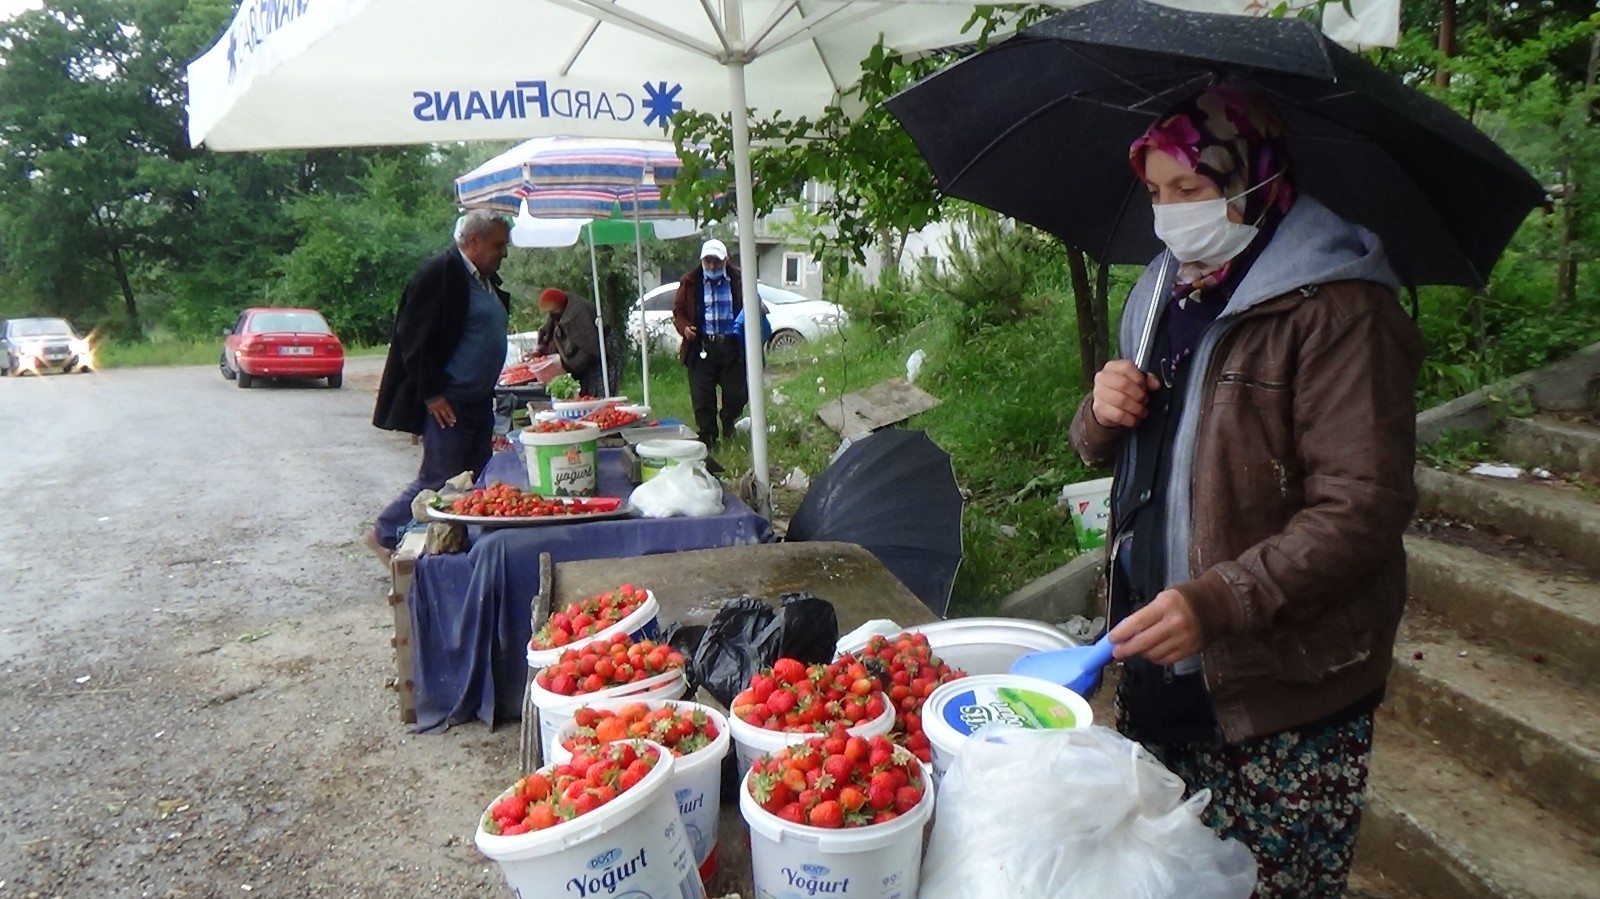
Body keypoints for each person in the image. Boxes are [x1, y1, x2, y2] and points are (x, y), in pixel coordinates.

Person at [1070, 87, 1423, 898]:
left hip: (1279, 693)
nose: (1168, 215)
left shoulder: (1340, 310)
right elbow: (1128, 450)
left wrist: (1220, 600)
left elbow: (1363, 506)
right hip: (1161, 661)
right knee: (1166, 878)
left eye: (1189, 191)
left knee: (1269, 886)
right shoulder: (1164, 291)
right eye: (1156, 193)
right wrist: (1099, 414)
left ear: (1256, 180)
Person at [365, 210, 513, 563]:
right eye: (498, 245)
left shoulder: (484, 279)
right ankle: (383, 534)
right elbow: (413, 338)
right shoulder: (441, 273)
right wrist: (431, 393)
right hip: (452, 399)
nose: (504, 253)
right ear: (474, 241)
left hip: (477, 399)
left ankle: (455, 545)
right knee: (440, 478)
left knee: (474, 478)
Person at [674, 238, 752, 445]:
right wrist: (685, 328)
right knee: (702, 397)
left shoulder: (739, 279)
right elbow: (679, 312)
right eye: (707, 261)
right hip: (702, 346)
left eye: (716, 262)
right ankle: (708, 437)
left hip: (732, 345)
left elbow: (753, 303)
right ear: (701, 260)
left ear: (725, 260)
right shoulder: (690, 282)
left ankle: (728, 420)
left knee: (738, 394)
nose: (711, 266)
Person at [533, 288, 605, 398]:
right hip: (584, 362)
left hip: (599, 357)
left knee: (597, 395)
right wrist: (541, 350)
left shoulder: (578, 315)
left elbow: (589, 347)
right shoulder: (557, 311)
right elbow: (548, 331)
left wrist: (567, 365)